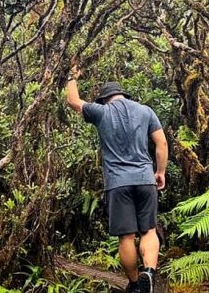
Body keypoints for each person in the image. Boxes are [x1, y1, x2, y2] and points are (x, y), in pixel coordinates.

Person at [65, 66, 168, 293]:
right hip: (145, 179)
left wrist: (72, 76)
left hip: (118, 182)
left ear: (104, 99)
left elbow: (73, 101)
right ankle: (149, 273)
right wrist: (160, 172)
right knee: (149, 230)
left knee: (126, 237)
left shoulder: (101, 112)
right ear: (123, 94)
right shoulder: (145, 111)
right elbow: (161, 143)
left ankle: (135, 285)